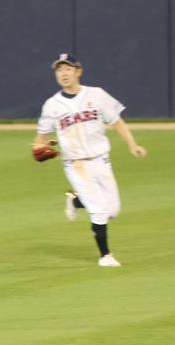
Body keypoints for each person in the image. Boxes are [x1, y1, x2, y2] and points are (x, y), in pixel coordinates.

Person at [33, 53, 147, 267]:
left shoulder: (97, 95)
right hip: (75, 164)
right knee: (99, 210)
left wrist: (133, 145)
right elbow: (41, 137)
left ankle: (74, 200)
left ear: (78, 71)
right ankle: (105, 256)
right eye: (59, 70)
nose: (63, 73)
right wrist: (41, 147)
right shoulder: (52, 105)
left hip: (101, 160)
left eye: (68, 69)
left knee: (112, 209)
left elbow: (117, 122)